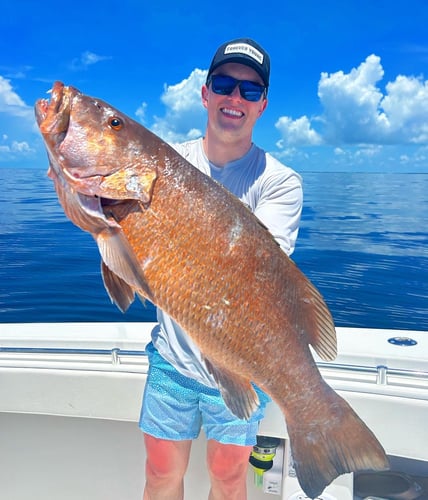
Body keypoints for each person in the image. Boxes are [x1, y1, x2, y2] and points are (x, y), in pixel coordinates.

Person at [139, 38, 303, 500]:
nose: (236, 98)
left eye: (250, 91)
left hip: (241, 366)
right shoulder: (164, 163)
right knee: (159, 475)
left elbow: (253, 272)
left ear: (263, 105)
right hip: (172, 362)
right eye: (225, 84)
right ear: (205, 93)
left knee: (230, 479)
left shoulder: (281, 182)